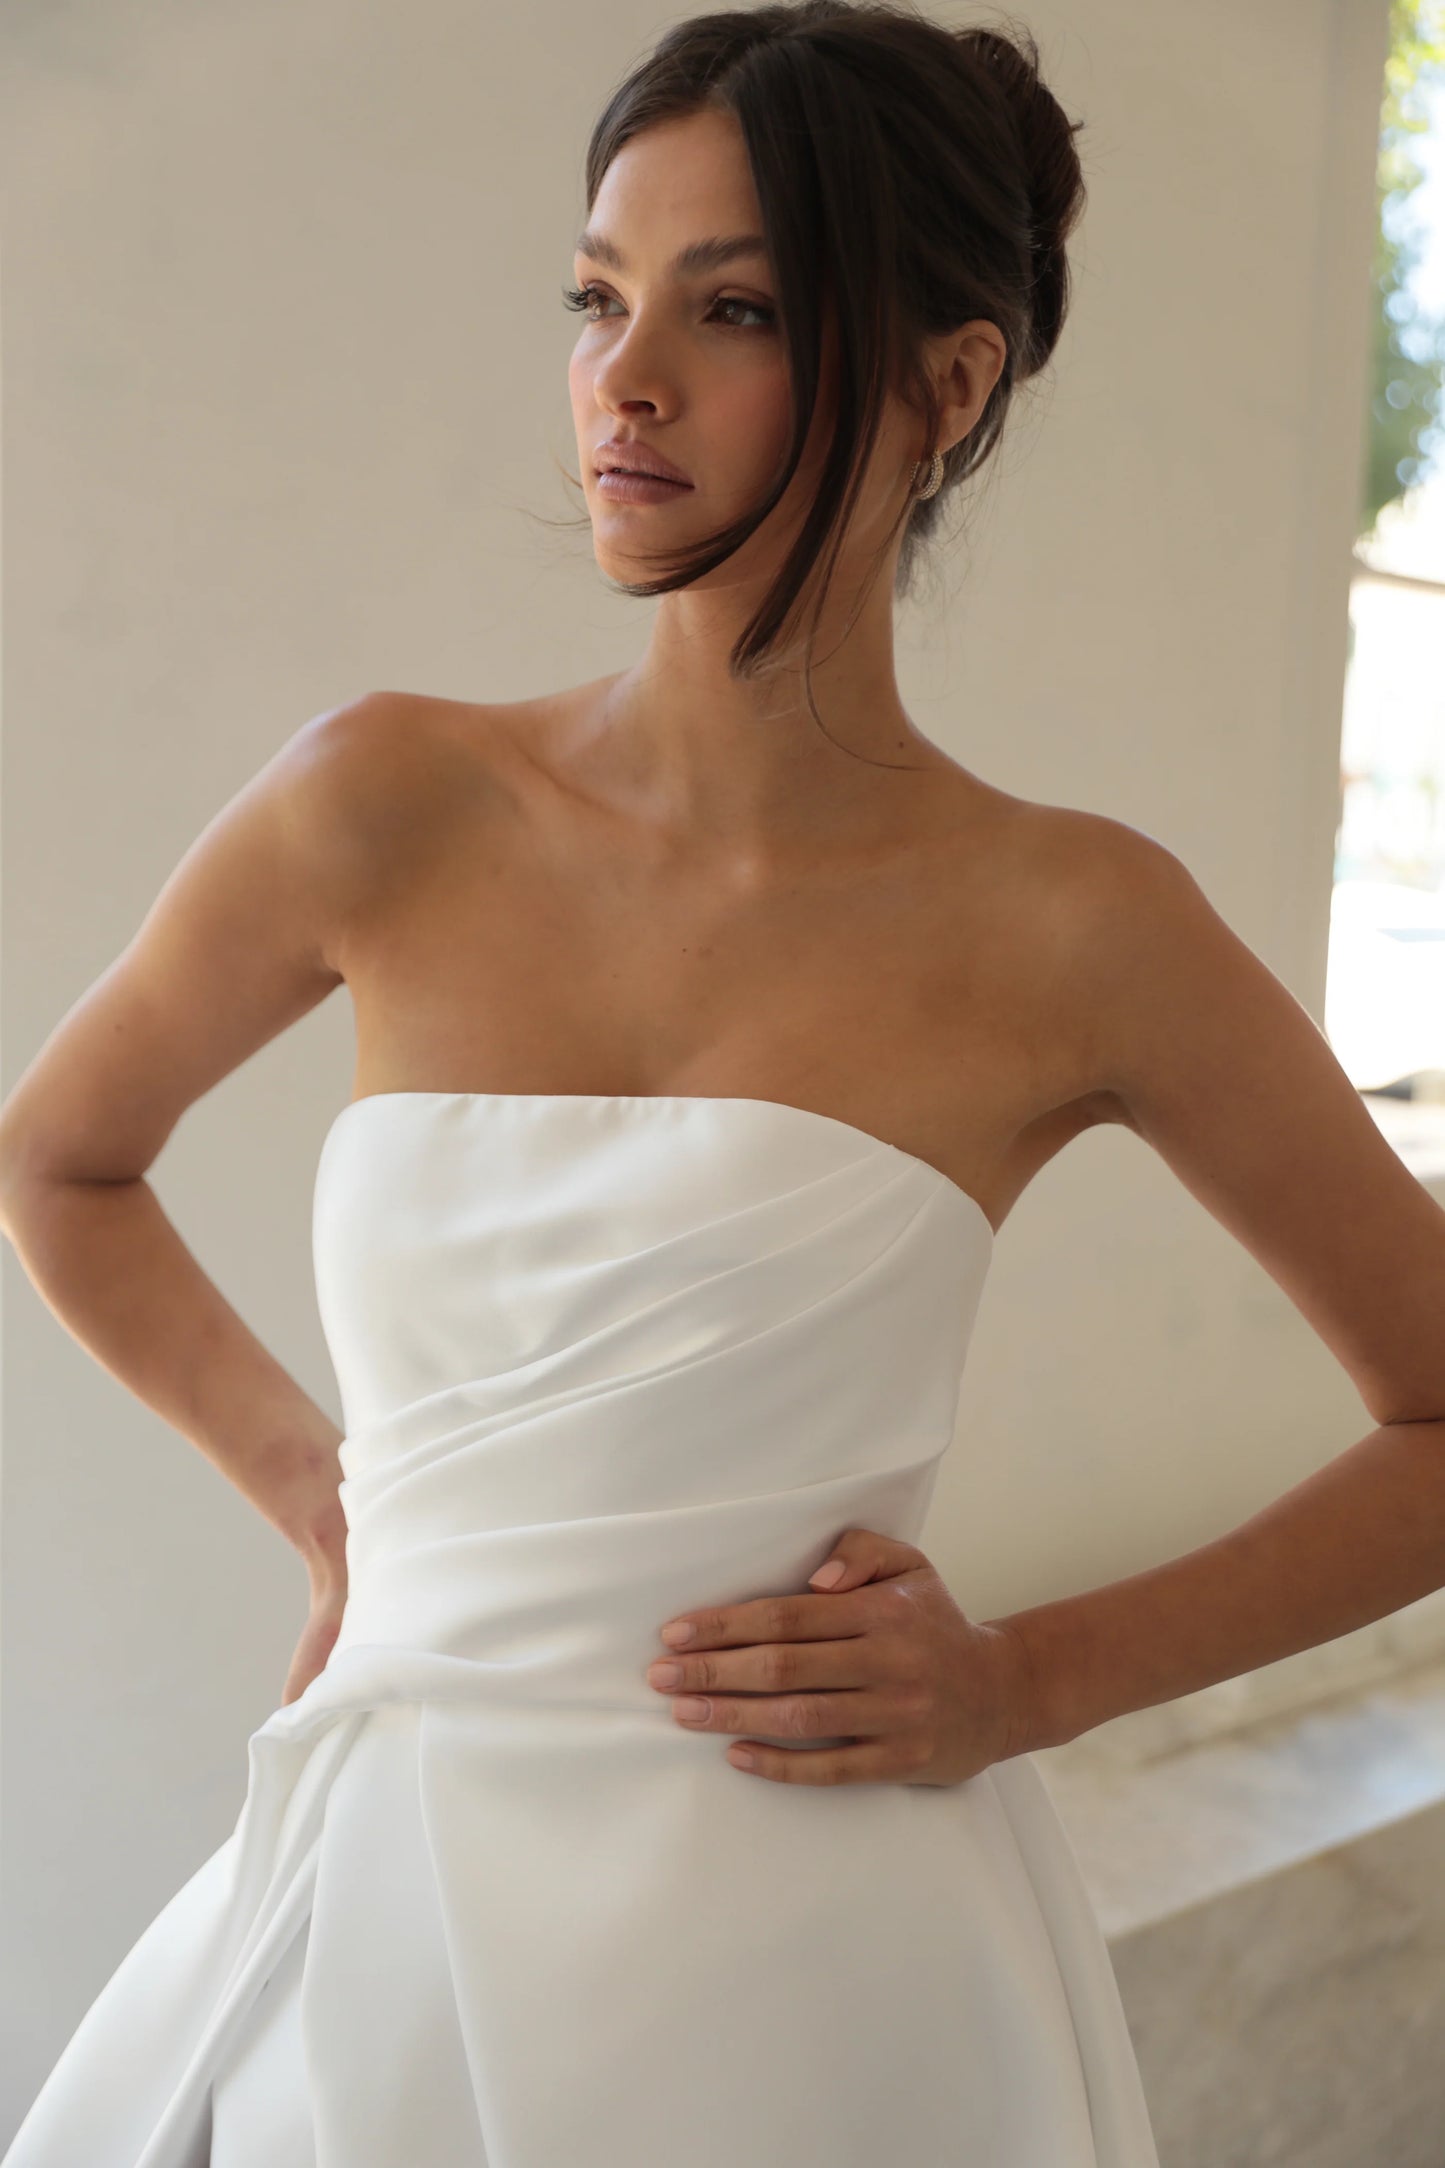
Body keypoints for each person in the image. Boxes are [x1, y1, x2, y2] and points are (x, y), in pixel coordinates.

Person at [4, 3, 1444, 2162]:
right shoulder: (385, 799)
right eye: (597, 298)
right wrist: (318, 1489)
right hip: (383, 1910)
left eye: (735, 305)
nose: (625, 377)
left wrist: (1028, 1682)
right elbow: (61, 1156)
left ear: (947, 387)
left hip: (820, 1981)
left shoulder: (1077, 923)